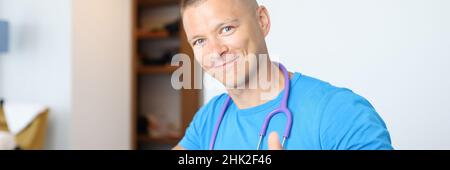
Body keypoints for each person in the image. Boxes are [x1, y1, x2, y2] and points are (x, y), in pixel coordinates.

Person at [173, 0, 392, 150]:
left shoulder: (339, 112)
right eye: (200, 41)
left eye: (226, 29)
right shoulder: (210, 118)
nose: (215, 51)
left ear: (262, 21)